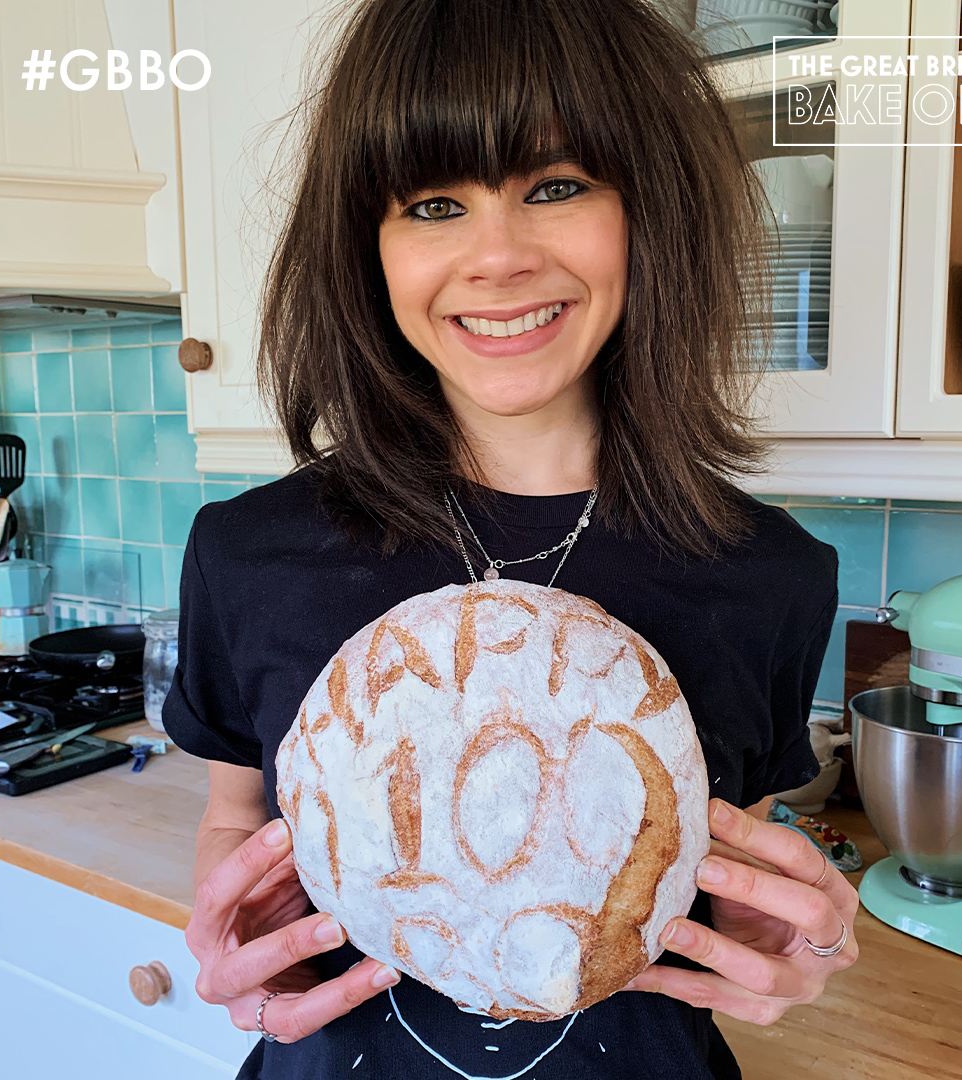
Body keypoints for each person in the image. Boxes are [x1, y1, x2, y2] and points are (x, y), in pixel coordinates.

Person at [161, 0, 859, 1076]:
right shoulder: (250, 556)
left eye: (558, 187)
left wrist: (785, 942)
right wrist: (243, 948)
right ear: (367, 247)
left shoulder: (768, 575)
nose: (497, 256)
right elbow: (238, 826)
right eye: (434, 203)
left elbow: (721, 877)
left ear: (648, 211)